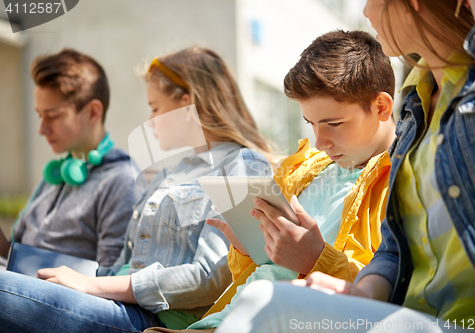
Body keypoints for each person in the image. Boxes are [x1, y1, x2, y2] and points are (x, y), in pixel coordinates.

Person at [215, 1, 475, 332]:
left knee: (267, 303)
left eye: (374, 0)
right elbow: (397, 248)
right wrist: (359, 292)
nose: (365, 11)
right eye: (312, 124)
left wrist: (320, 263)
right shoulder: (416, 107)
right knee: (259, 300)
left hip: (473, 321)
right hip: (406, 317)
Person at [0, 46, 274, 333]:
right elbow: (121, 265)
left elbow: (211, 278)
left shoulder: (243, 165)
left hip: (152, 320)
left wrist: (91, 284)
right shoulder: (170, 173)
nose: (150, 121)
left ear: (187, 104)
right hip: (114, 306)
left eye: (155, 108)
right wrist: (72, 282)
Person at [145, 30, 397, 333]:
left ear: (381, 107)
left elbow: (381, 295)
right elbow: (263, 273)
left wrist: (316, 259)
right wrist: (248, 249)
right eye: (311, 125)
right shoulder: (305, 169)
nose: (320, 142)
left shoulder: (400, 180)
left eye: (333, 124)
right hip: (220, 322)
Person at [0, 49, 143, 268]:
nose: (42, 129)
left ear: (93, 113)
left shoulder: (122, 181)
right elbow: (12, 256)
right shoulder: (56, 173)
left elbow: (108, 282)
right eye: (40, 115)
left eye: (53, 116)